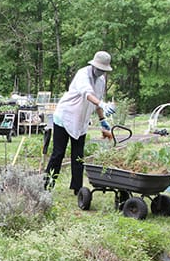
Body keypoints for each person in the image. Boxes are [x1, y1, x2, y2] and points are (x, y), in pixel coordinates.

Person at [44, 51, 116, 194]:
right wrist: (102, 104)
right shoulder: (82, 74)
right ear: (93, 65)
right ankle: (46, 185)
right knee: (58, 153)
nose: (101, 72)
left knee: (78, 156)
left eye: (103, 70)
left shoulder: (101, 81)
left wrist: (102, 120)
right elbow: (87, 93)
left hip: (81, 122)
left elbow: (96, 102)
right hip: (65, 118)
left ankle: (77, 188)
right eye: (99, 69)